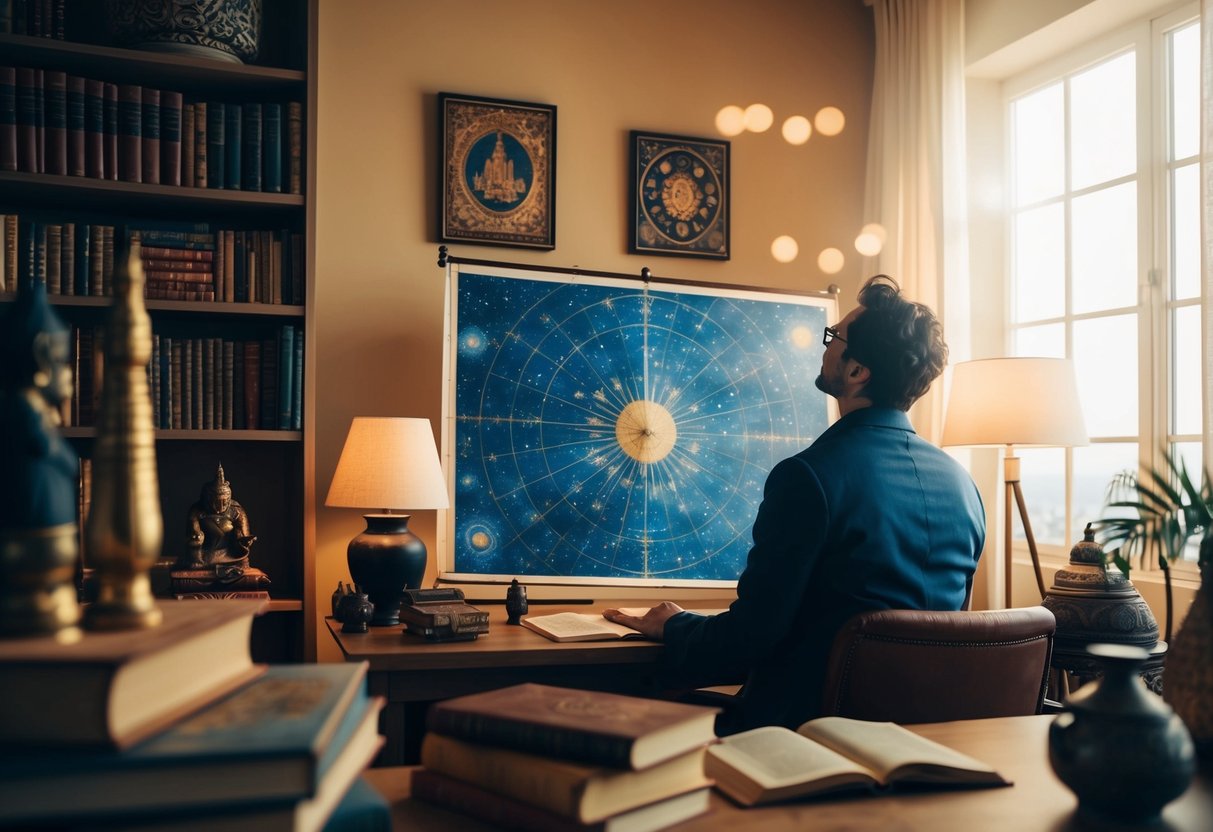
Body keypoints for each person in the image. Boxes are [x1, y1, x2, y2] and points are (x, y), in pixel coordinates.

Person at [604, 275, 985, 734]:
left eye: (834, 338)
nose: (825, 348)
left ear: (857, 371)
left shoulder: (808, 477)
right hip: (926, 742)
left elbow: (749, 639)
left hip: (804, 742)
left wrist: (677, 624)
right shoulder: (965, 486)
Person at [182, 463, 257, 569]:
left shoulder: (236, 510)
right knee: (195, 563)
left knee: (242, 564)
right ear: (207, 499)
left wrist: (244, 540)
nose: (220, 507)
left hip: (230, 554)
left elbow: (243, 534)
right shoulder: (196, 511)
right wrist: (197, 539)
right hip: (205, 555)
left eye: (224, 502)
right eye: (216, 503)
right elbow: (192, 535)